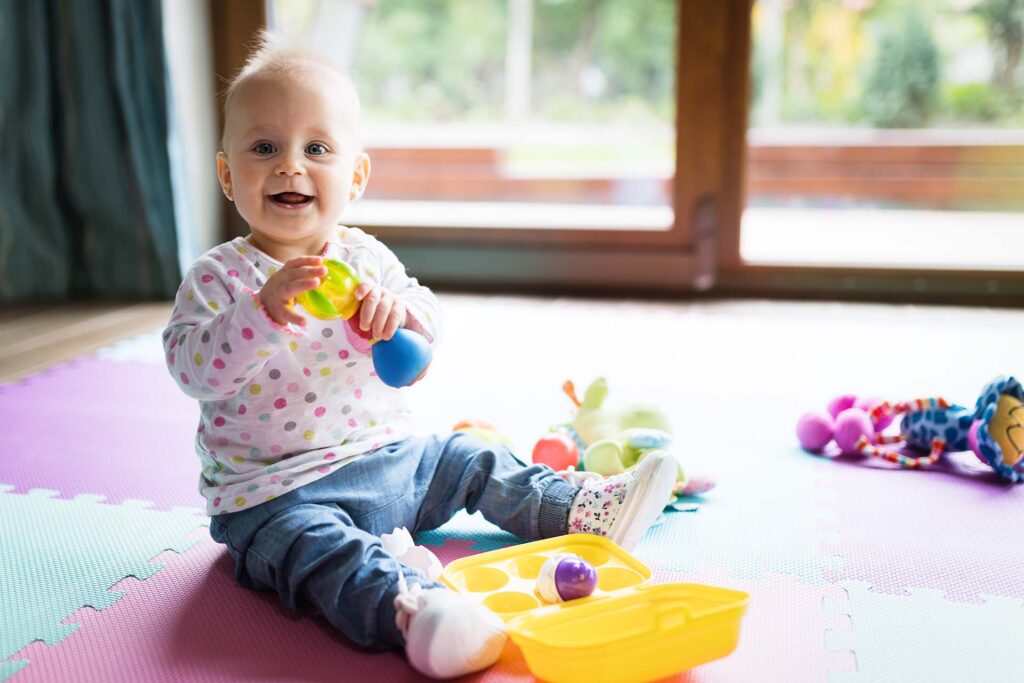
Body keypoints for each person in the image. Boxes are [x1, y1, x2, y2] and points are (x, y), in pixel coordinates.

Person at [163, 33, 677, 679]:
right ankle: (415, 610)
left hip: (394, 464)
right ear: (227, 173)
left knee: (469, 455)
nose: (290, 166)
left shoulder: (367, 258)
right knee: (320, 554)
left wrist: (398, 316)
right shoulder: (221, 278)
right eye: (265, 147)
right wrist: (260, 314)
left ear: (355, 176)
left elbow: (424, 325)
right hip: (277, 497)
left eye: (316, 148)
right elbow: (191, 369)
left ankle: (578, 509)